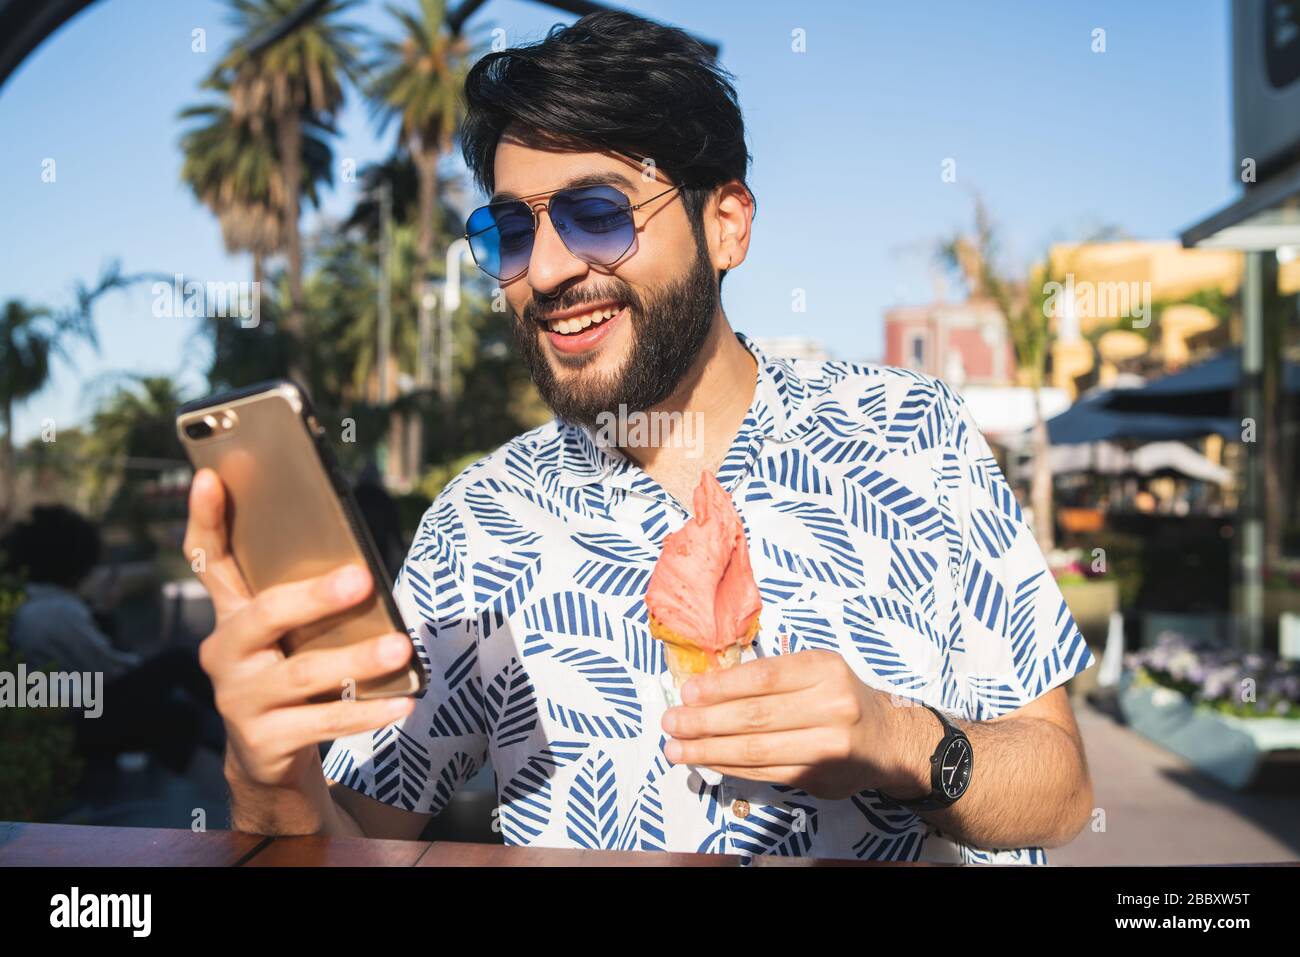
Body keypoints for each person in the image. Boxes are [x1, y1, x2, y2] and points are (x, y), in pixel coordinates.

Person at [185, 11, 1095, 863]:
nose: (544, 271)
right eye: (509, 230)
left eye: (597, 213)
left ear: (726, 223)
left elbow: (1059, 789)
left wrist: (899, 740)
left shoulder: (909, 432)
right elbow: (355, 839)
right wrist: (272, 780)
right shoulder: (479, 523)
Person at [3, 505, 221, 773]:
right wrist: (145, 665)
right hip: (76, 719)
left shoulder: (38, 601)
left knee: (177, 711)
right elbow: (109, 669)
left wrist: (101, 612)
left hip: (68, 710)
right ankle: (234, 722)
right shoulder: (57, 610)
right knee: (177, 665)